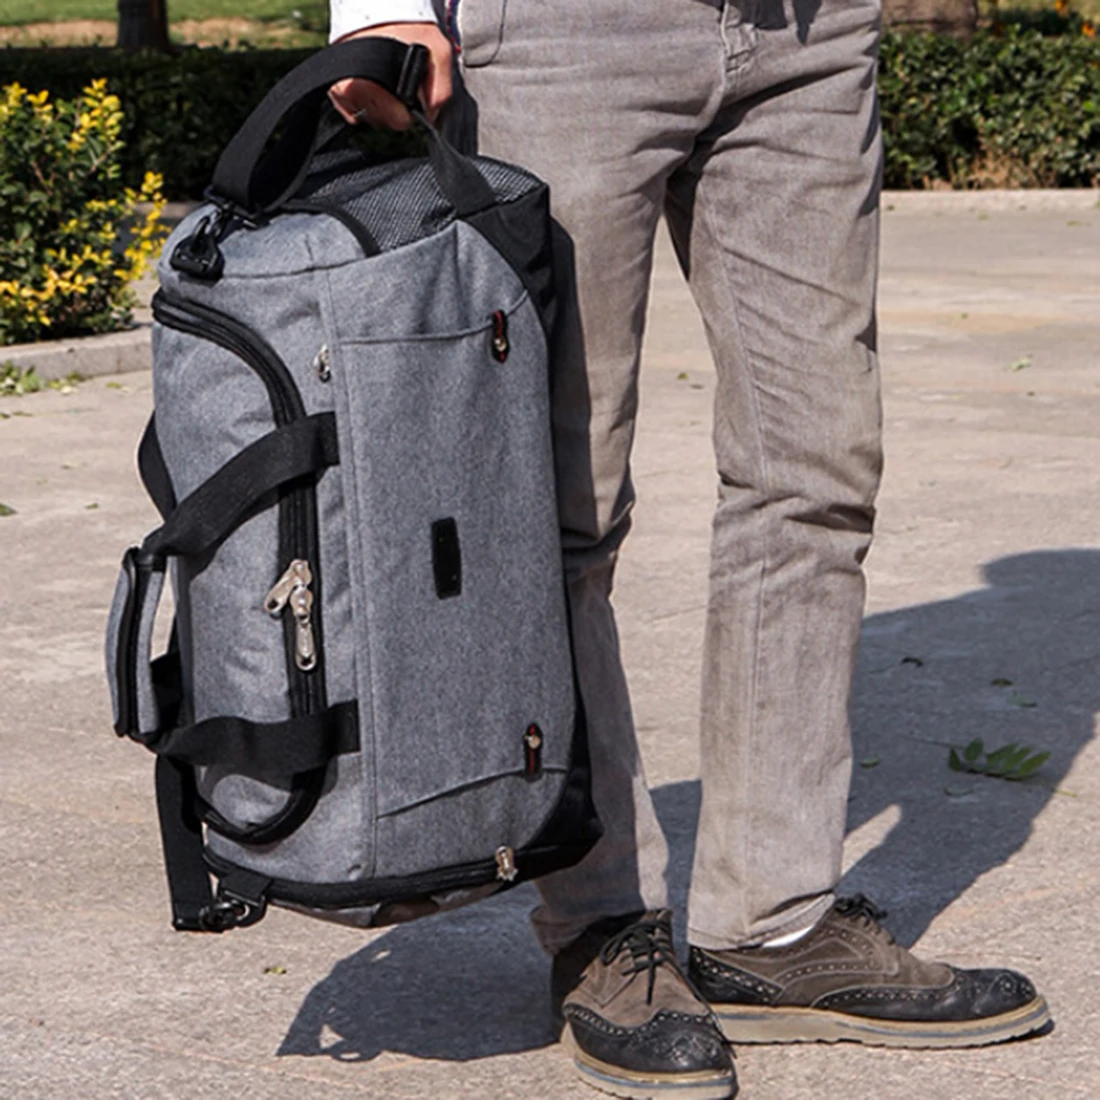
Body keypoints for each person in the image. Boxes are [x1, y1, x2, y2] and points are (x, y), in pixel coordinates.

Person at [325, 2, 1050, 1096]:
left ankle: (770, 925)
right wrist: (375, 7)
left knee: (815, 477)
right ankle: (600, 922)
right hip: (565, 37)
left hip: (807, 41)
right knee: (558, 506)